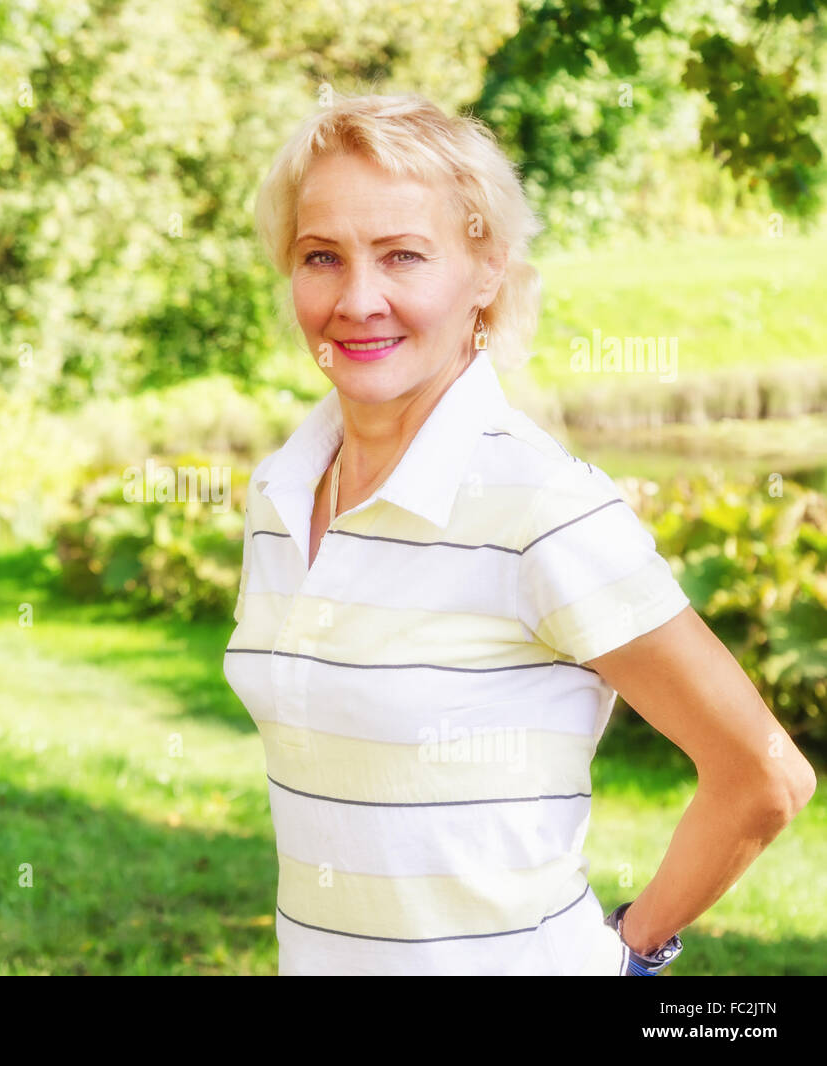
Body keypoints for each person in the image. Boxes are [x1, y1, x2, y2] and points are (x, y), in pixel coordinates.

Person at [222, 91, 816, 976]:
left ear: (487, 269)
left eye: (403, 256)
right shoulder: (284, 487)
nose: (358, 299)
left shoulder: (541, 506)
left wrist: (631, 957)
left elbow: (766, 774)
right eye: (321, 257)